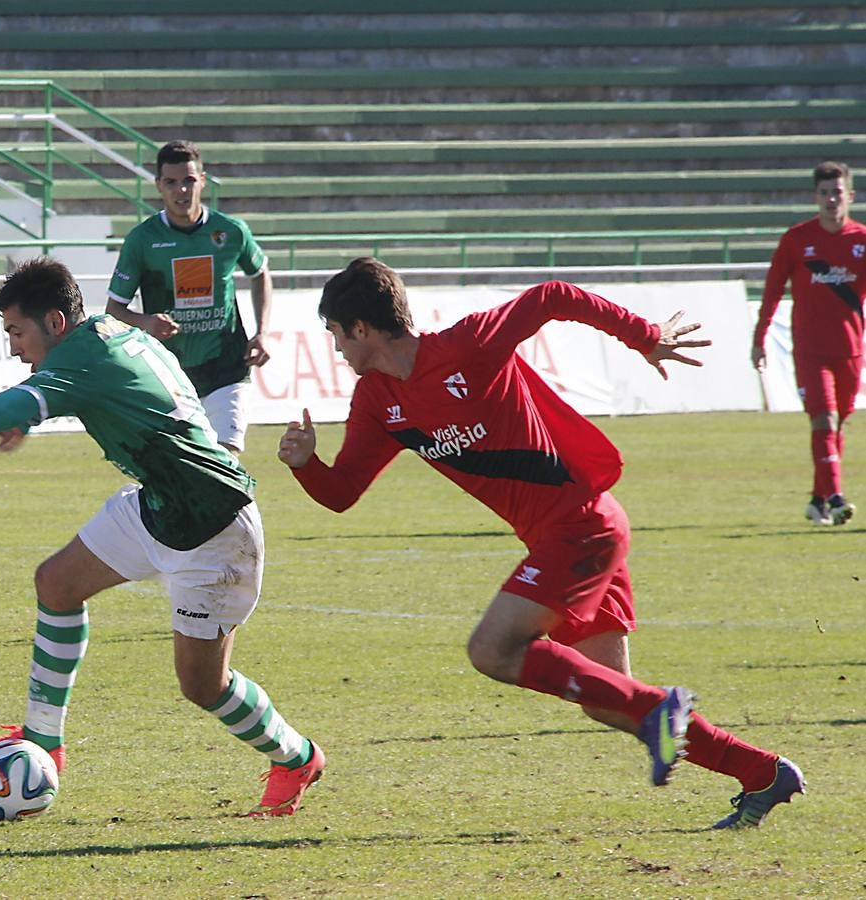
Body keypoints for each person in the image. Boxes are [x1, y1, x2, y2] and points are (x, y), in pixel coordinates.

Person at [278, 258, 804, 829]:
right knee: (607, 700)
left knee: (493, 650)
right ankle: (764, 773)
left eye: (334, 332)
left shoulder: (468, 345)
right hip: (572, 534)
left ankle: (662, 711)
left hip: (582, 526)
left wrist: (644, 336)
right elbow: (342, 492)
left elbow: (553, 294)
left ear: (360, 328)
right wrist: (306, 464)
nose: (334, 349)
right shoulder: (378, 401)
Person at [0, 256, 325, 817]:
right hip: (158, 503)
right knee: (57, 584)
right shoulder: (111, 335)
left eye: (17, 332)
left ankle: (295, 756)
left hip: (214, 529)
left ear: (55, 322)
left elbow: (30, 396)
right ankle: (44, 740)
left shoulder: (85, 357)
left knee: (203, 685)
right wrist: (35, 411)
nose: (15, 347)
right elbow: (111, 388)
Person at [106, 140, 272, 454]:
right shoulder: (142, 241)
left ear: (203, 181)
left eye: (189, 181)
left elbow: (260, 273)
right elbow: (115, 309)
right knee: (181, 467)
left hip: (227, 367)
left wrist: (262, 332)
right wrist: (145, 322)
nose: (181, 191)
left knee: (226, 459)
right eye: (171, 182)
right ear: (158, 186)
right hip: (169, 374)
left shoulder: (231, 231)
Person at [753, 160, 866, 526]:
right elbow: (771, 292)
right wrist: (759, 339)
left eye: (837, 192)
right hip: (810, 351)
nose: (831, 199)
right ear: (815, 197)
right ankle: (835, 497)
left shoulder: (861, 241)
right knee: (823, 419)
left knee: (837, 425)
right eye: (824, 193)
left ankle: (818, 500)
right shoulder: (797, 240)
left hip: (850, 349)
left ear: (849, 195)